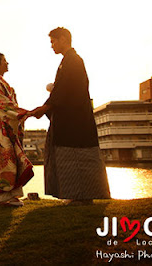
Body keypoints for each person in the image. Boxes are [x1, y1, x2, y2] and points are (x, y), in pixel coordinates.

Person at [30, 27, 110, 205]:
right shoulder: (68, 61)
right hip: (71, 121)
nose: (51, 46)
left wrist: (46, 107)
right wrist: (48, 103)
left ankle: (82, 196)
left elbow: (65, 89)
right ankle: (76, 195)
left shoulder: (73, 61)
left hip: (75, 122)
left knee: (78, 159)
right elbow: (62, 90)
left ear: (64, 39)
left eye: (53, 41)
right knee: (71, 159)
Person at [0, 53, 34, 207]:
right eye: (4, 61)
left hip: (3, 127)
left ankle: (12, 195)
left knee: (10, 161)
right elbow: (4, 105)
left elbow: (7, 105)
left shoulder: (0, 84)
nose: (7, 63)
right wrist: (23, 113)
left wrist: (20, 113)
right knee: (3, 161)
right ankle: (2, 197)